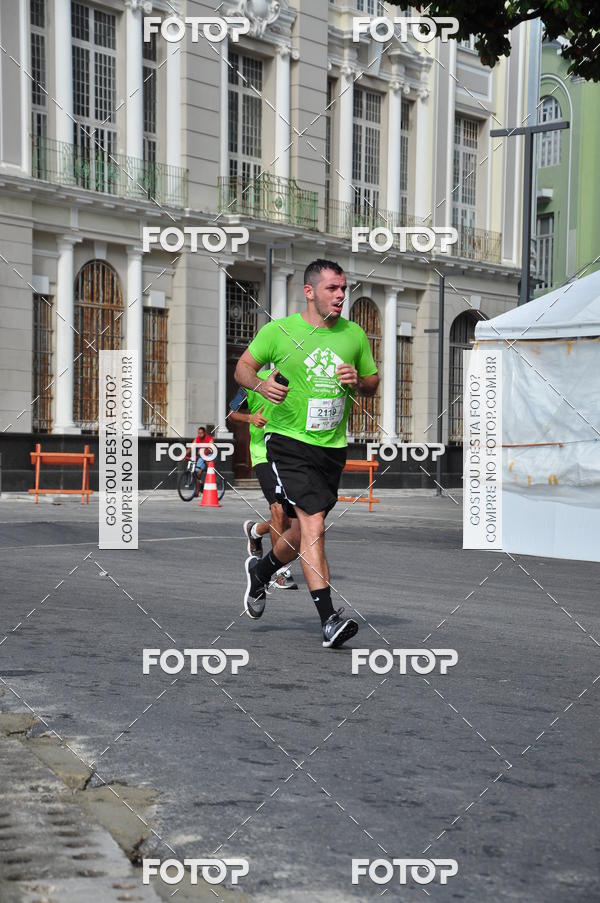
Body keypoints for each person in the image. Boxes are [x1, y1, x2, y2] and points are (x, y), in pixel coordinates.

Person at [234, 259, 379, 648]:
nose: (341, 295)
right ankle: (329, 619)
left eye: (344, 288)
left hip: (331, 446)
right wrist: (262, 386)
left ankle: (262, 572)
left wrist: (359, 380)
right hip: (287, 441)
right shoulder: (279, 332)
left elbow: (373, 381)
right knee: (312, 524)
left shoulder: (353, 335)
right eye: (333, 288)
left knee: (299, 534)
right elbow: (243, 369)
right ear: (310, 291)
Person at [229, 372, 299, 591]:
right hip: (263, 453)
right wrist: (250, 418)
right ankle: (280, 571)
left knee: (292, 518)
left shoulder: (300, 378)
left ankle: (255, 530)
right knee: (278, 510)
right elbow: (232, 414)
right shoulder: (254, 380)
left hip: (291, 453)